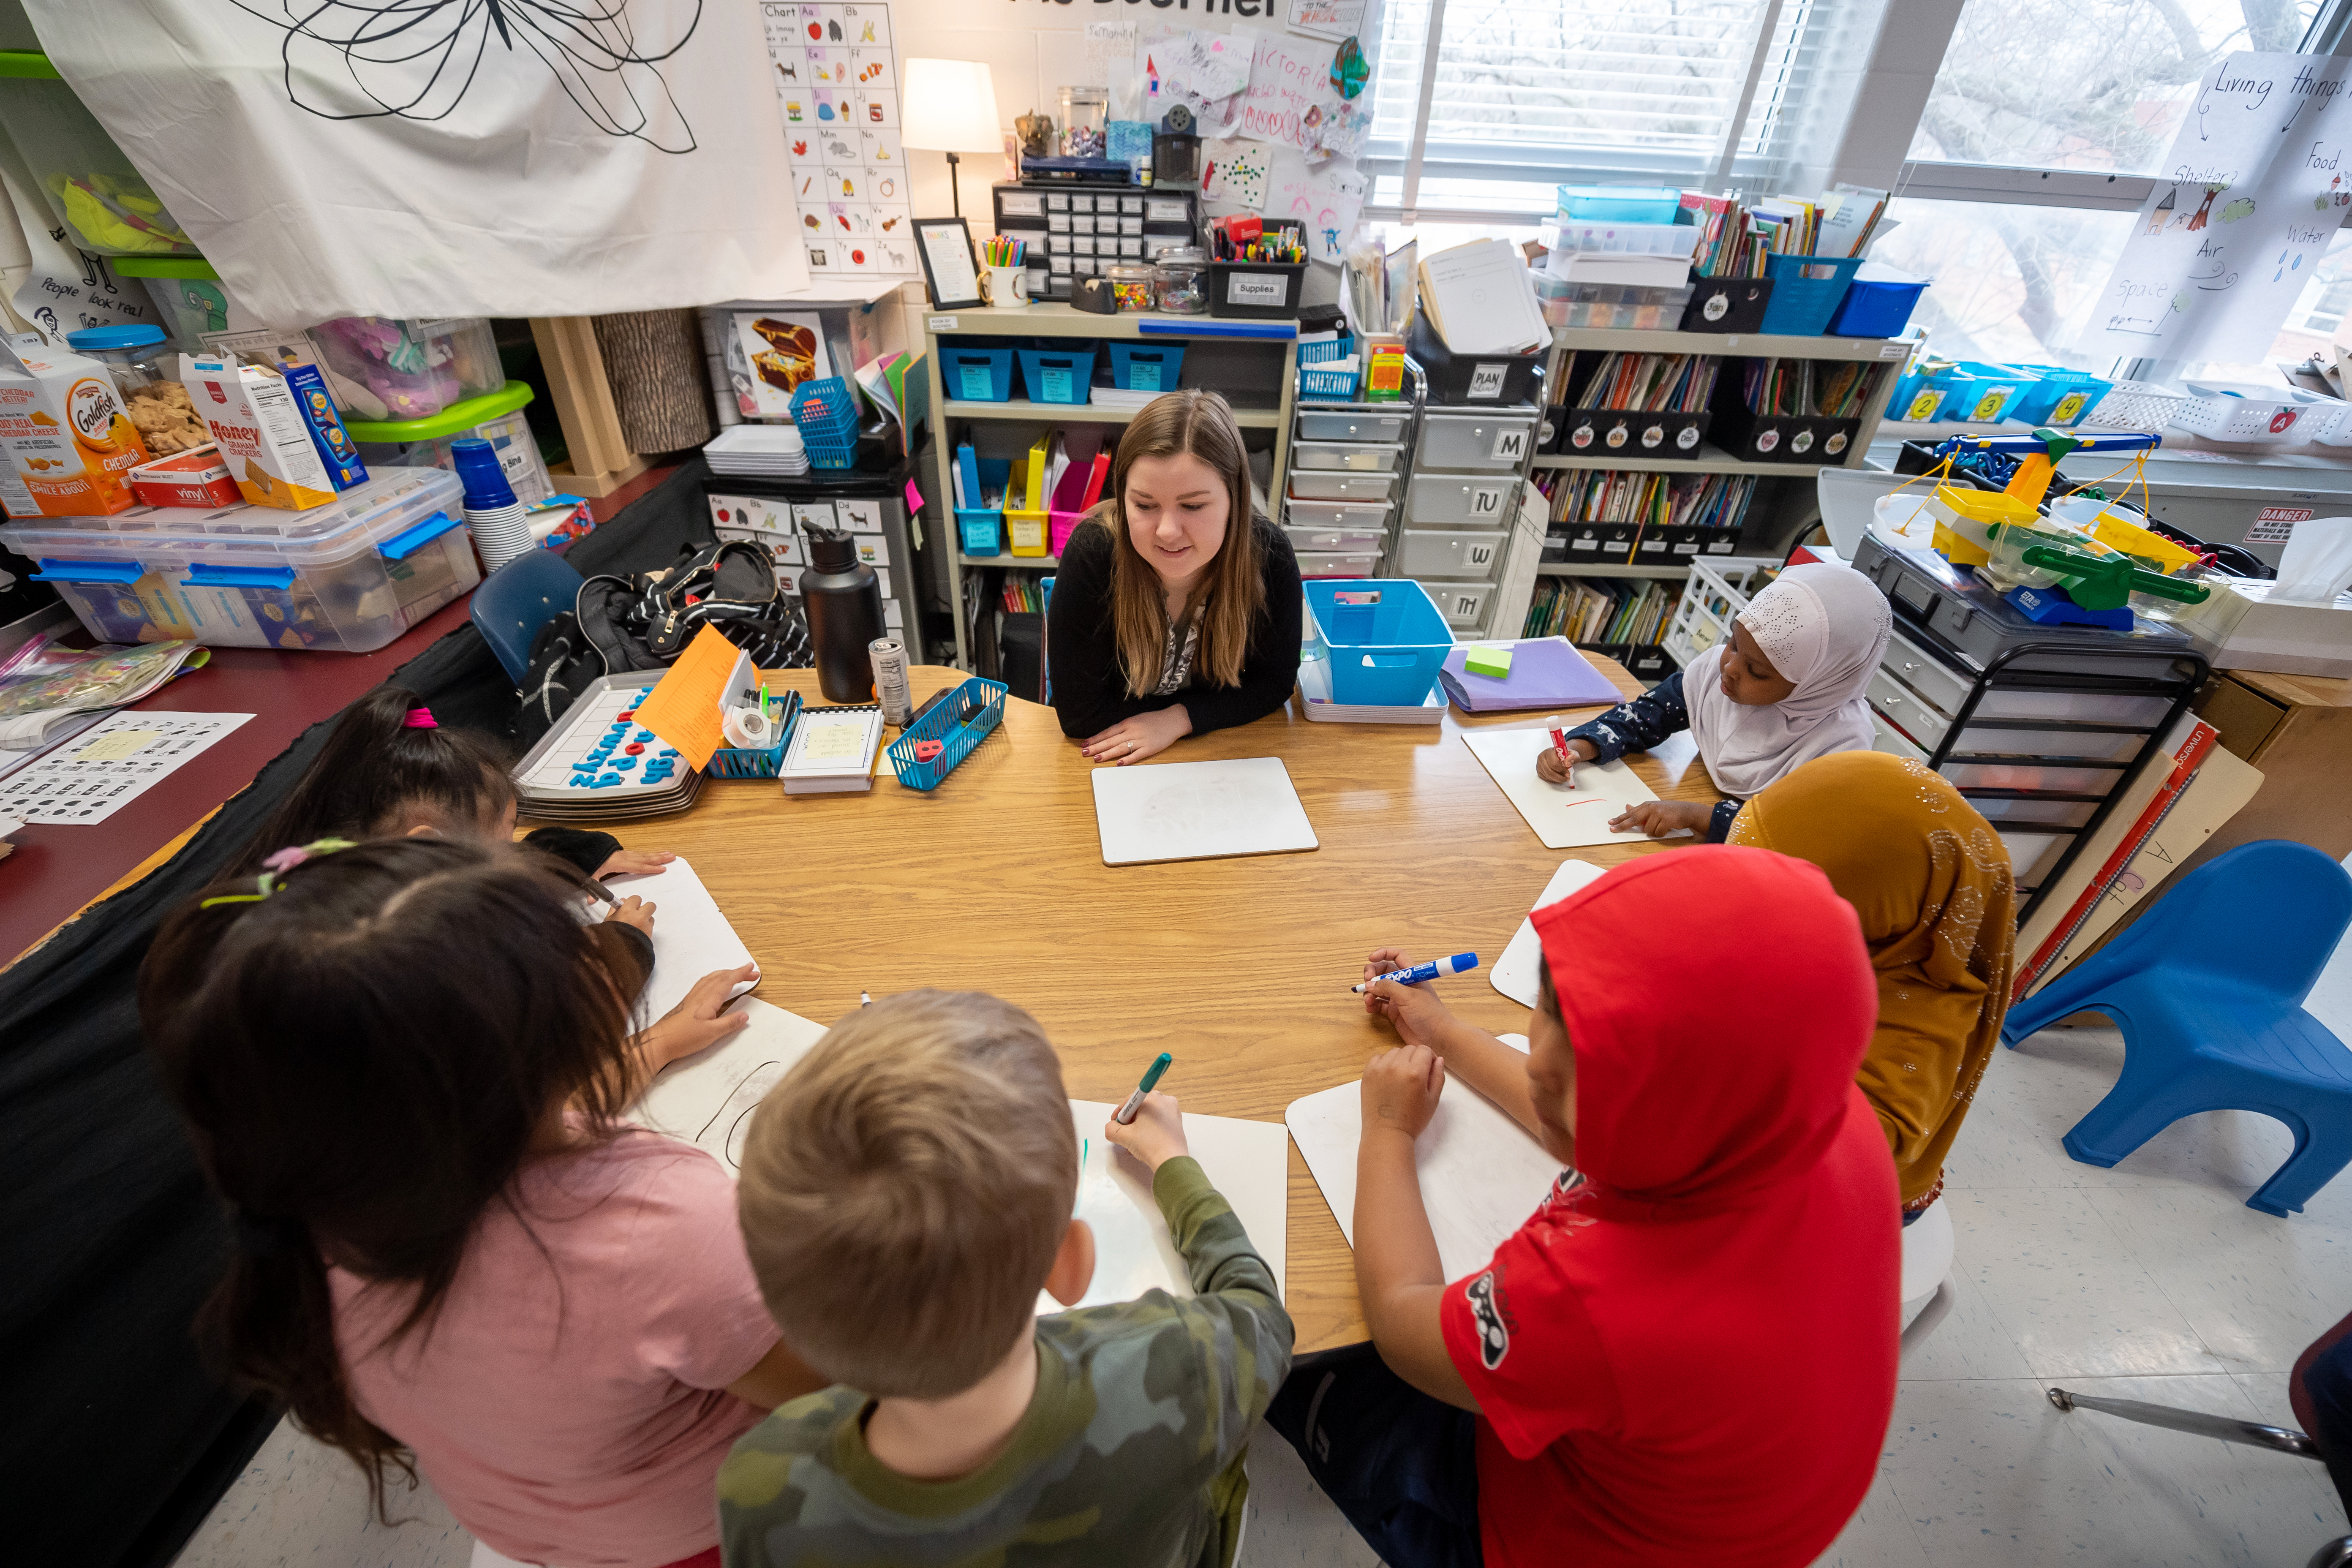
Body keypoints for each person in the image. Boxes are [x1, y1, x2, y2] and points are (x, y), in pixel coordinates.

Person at [140, 838, 819, 1568]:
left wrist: (652, 1048)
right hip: (715, 1531)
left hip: (541, 1530)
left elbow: (508, 1126)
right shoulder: (660, 1225)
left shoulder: (321, 1211)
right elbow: (838, 1386)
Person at [1280, 849, 1899, 1567]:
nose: (1535, 1059)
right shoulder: (1816, 1105)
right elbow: (1587, 1095)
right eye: (1552, 1008)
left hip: (1558, 1537)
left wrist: (1385, 1130)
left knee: (1287, 1359)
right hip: (1732, 1511)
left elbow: (1400, 1317)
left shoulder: (1597, 1303)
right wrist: (1446, 1034)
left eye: (1572, 1072)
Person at [720, 989, 1293, 1568]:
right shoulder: (1179, 1368)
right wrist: (1173, 1161)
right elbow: (1262, 1315)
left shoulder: (763, 1489)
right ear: (1070, 1265)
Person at [1728, 749, 2017, 1222]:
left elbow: (1855, 1151)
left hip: (1843, 1195)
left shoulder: (1925, 1016)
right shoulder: (1868, 938)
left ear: (1887, 906)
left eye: (1781, 902)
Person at [1538, 561, 1890, 841]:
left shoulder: (1841, 747)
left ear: (1819, 683)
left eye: (1757, 671)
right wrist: (1580, 746)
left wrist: (1698, 817)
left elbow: (1796, 834)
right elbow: (1649, 714)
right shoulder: (1719, 672)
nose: (1729, 668)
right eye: (1734, 644)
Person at [1045, 390, 1303, 765]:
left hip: (1220, 757)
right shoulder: (1093, 553)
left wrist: (1178, 720)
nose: (1167, 531)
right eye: (1145, 505)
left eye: (1193, 506)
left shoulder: (1270, 556)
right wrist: (1213, 710)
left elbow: (1274, 683)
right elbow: (1079, 715)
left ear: (1235, 498)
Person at [241, 683, 675, 883]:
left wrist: (577, 861)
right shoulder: (370, 959)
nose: (515, 847)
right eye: (504, 838)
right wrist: (625, 955)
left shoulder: (379, 864)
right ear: (429, 848)